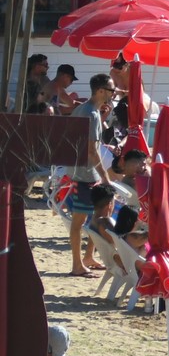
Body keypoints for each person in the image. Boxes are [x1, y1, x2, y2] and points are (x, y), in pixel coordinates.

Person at [67, 74, 113, 276]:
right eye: (111, 90)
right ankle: (77, 265)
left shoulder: (84, 109)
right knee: (79, 222)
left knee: (100, 213)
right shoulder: (91, 114)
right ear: (101, 91)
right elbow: (92, 151)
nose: (114, 93)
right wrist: (105, 176)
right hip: (84, 174)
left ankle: (87, 257)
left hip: (80, 171)